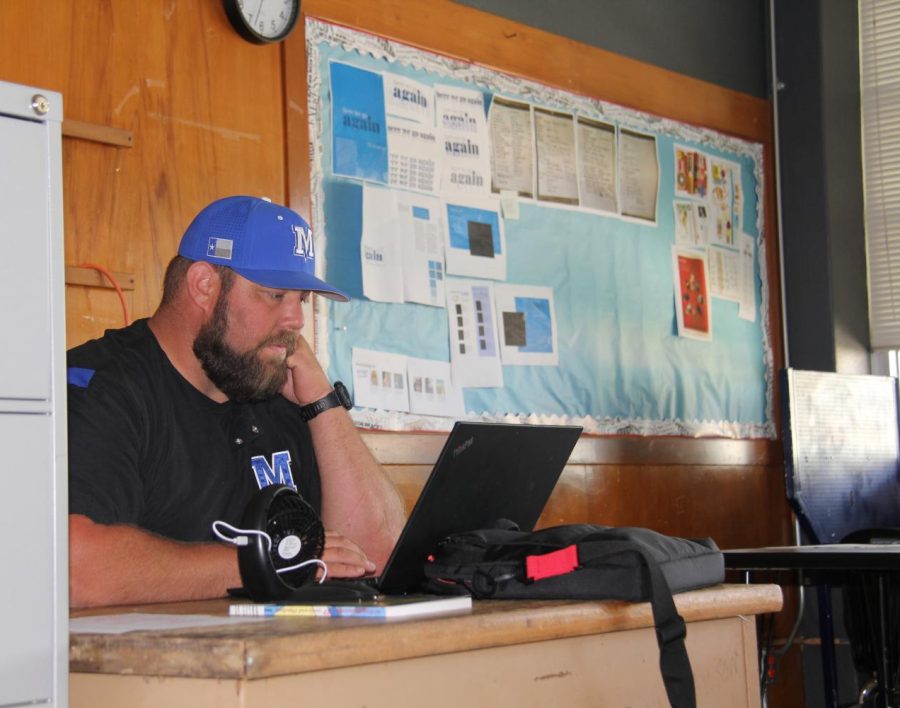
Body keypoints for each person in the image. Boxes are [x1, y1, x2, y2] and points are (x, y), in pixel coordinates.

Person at [66, 195, 407, 608]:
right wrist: (264, 563)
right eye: (275, 294)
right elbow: (74, 568)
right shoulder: (102, 387)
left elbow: (378, 558)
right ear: (204, 286)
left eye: (300, 300)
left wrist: (322, 402)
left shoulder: (277, 388)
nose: (296, 321)